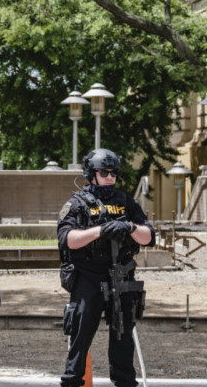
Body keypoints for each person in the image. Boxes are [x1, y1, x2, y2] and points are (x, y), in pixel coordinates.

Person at [57, 148, 155, 387]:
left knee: (123, 342)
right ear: (92, 174)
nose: (110, 177)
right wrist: (99, 230)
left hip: (121, 278)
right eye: (104, 172)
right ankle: (72, 382)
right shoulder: (77, 203)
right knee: (80, 340)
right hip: (88, 279)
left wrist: (130, 228)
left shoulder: (125, 202)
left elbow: (149, 236)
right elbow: (66, 239)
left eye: (113, 173)